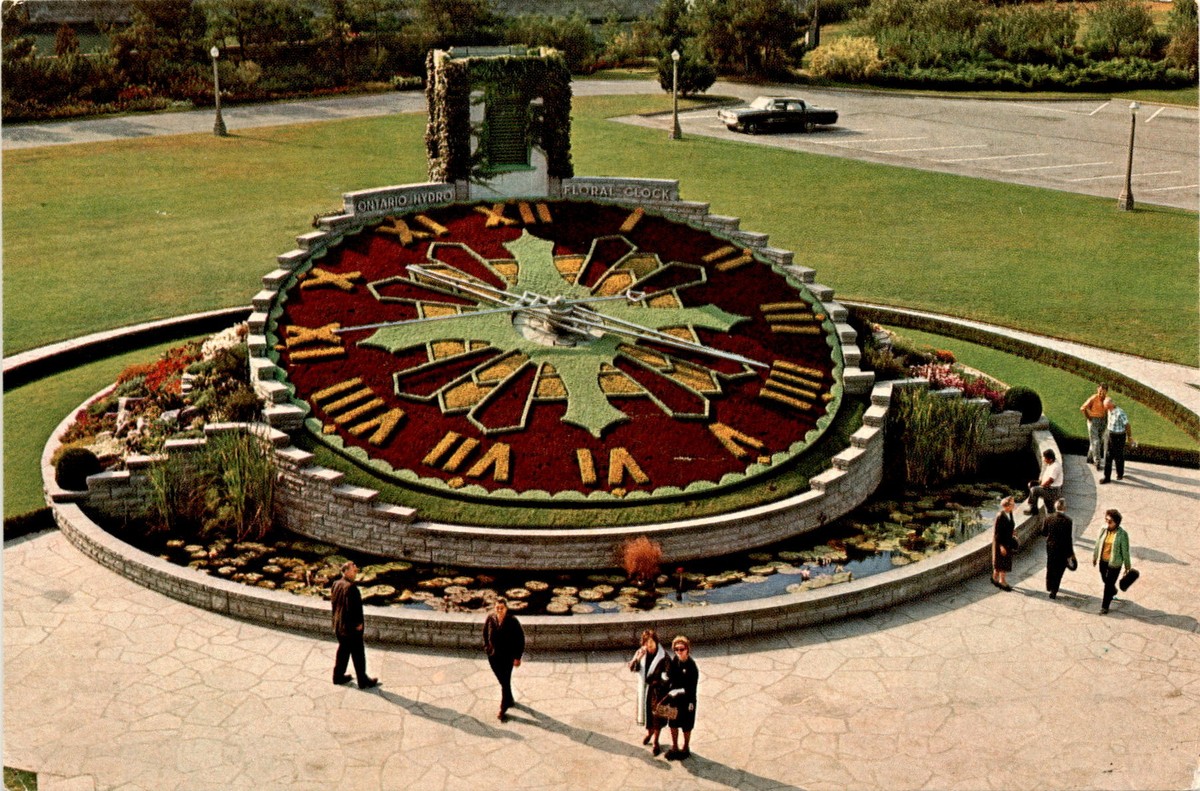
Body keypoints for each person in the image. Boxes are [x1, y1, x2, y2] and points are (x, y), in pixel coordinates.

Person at [331, 560, 379, 689]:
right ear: (345, 571)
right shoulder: (351, 587)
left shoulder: (336, 584)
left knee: (343, 651)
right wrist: (358, 624)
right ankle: (363, 680)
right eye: (353, 569)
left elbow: (335, 604)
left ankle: (338, 676)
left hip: (339, 625)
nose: (356, 571)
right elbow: (353, 608)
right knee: (358, 654)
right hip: (350, 628)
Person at [628, 628, 670, 755]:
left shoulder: (663, 656)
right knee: (647, 715)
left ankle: (656, 740)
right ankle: (650, 733)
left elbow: (668, 676)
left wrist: (660, 682)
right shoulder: (642, 653)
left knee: (657, 716)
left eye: (651, 642)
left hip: (658, 691)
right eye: (646, 643)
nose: (649, 645)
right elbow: (632, 668)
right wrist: (638, 658)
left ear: (656, 642)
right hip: (645, 690)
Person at [483, 598, 525, 722]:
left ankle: (503, 707)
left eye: (502, 608)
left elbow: (520, 639)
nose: (499, 610)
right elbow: (485, 633)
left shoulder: (513, 621)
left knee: (505, 681)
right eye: (497, 608)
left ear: (506, 608)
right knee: (503, 680)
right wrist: (487, 647)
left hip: (508, 657)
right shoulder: (490, 618)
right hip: (493, 656)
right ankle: (510, 698)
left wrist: (518, 657)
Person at [664, 635, 699, 760]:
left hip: (687, 700)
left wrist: (678, 691)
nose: (679, 652)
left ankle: (685, 748)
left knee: (686, 726)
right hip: (675, 700)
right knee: (673, 723)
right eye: (676, 649)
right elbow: (670, 676)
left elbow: (691, 688)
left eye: (682, 649)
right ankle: (674, 747)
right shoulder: (675, 661)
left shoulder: (692, 666)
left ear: (687, 649)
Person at [1092, 509, 1131, 614]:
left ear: (1116, 523)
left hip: (1115, 563)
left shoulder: (1122, 535)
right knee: (1105, 579)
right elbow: (1098, 543)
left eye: (1110, 522)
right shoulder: (1103, 530)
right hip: (1103, 561)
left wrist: (1127, 566)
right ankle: (1113, 591)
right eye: (1106, 520)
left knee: (1108, 585)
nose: (1107, 523)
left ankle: (1105, 606)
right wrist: (1095, 557)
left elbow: (1125, 551)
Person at [1040, 498, 1075, 599]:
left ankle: (1048, 585)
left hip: (1051, 547)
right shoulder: (1068, 521)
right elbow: (1069, 538)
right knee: (1059, 570)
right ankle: (1054, 591)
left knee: (1050, 566)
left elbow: (1044, 532)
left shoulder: (1048, 518)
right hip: (1062, 549)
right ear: (1064, 508)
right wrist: (1070, 553)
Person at [1101, 397, 1133, 484]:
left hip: (1119, 436)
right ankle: (1107, 477)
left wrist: (1129, 437)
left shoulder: (1120, 413)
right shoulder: (1109, 411)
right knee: (1108, 455)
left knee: (1118, 456)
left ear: (1110, 405)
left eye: (1106, 406)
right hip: (1110, 434)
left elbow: (1127, 425)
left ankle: (1120, 473)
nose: (1105, 408)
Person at [1080, 384, 1109, 470]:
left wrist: (1107, 421)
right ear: (1097, 390)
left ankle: (1089, 458)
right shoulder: (1093, 398)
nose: (1101, 393)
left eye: (1103, 391)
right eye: (1099, 391)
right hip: (1094, 421)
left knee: (1098, 441)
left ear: (1106, 391)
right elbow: (1083, 408)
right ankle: (1097, 461)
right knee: (1095, 441)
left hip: (1103, 421)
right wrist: (1089, 418)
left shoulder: (1107, 399)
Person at [1026, 448, 1063, 515]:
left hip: (1052, 491)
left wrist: (1041, 486)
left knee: (1034, 490)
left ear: (1050, 459)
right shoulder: (1051, 463)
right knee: (1032, 484)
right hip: (1048, 487)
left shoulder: (1055, 467)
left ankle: (1033, 509)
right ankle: (1034, 508)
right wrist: (1039, 482)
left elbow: (1050, 480)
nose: (1044, 459)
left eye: (1045, 458)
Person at [991, 496, 1016, 591]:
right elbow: (997, 533)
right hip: (1001, 543)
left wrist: (1012, 531)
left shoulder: (1010, 513)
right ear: (1007, 505)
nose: (1014, 505)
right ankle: (1002, 581)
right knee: (1002, 563)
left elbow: (1009, 525)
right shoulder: (1000, 516)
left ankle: (994, 579)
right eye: (1012, 503)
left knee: (1000, 563)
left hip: (1007, 541)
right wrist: (1001, 546)